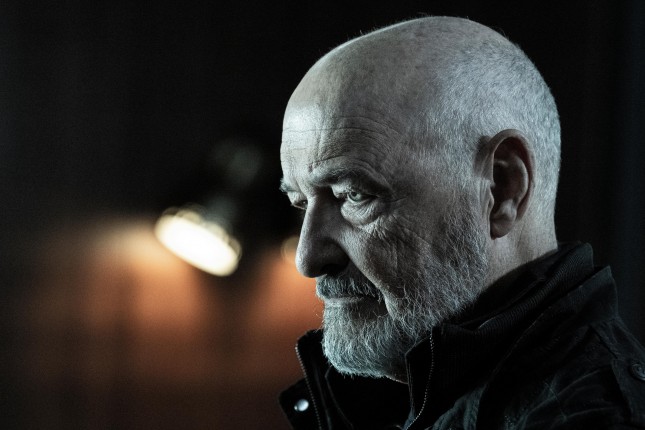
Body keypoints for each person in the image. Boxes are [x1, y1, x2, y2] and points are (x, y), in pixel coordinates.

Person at [278, 16, 645, 430]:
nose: (308, 258)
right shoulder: (413, 391)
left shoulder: (597, 418)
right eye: (300, 203)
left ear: (503, 189)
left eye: (354, 195)